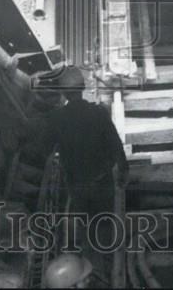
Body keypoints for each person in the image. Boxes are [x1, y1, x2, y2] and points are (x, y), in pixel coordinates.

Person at [43, 66, 128, 251]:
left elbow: (46, 149)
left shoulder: (56, 119)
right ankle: (108, 257)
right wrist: (123, 171)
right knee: (105, 229)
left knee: (86, 229)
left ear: (63, 93)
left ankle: (90, 259)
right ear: (83, 87)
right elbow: (116, 145)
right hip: (102, 183)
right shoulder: (99, 113)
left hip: (77, 187)